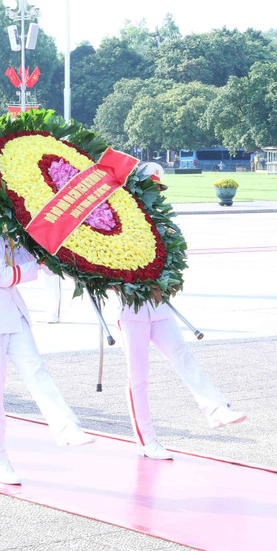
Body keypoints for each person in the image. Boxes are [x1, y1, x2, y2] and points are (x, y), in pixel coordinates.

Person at [0, 165, 93, 485]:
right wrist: (40, 266)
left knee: (37, 370)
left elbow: (19, 257)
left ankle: (66, 427)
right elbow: (3, 276)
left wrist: (45, 252)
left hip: (13, 314)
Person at [117, 162, 248, 461]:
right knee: (138, 377)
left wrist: (166, 285)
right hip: (132, 309)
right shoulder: (121, 224)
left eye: (158, 190)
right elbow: (109, 268)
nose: (155, 196)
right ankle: (146, 439)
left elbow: (174, 265)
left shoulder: (165, 225)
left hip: (160, 306)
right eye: (150, 189)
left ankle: (216, 409)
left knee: (183, 357)